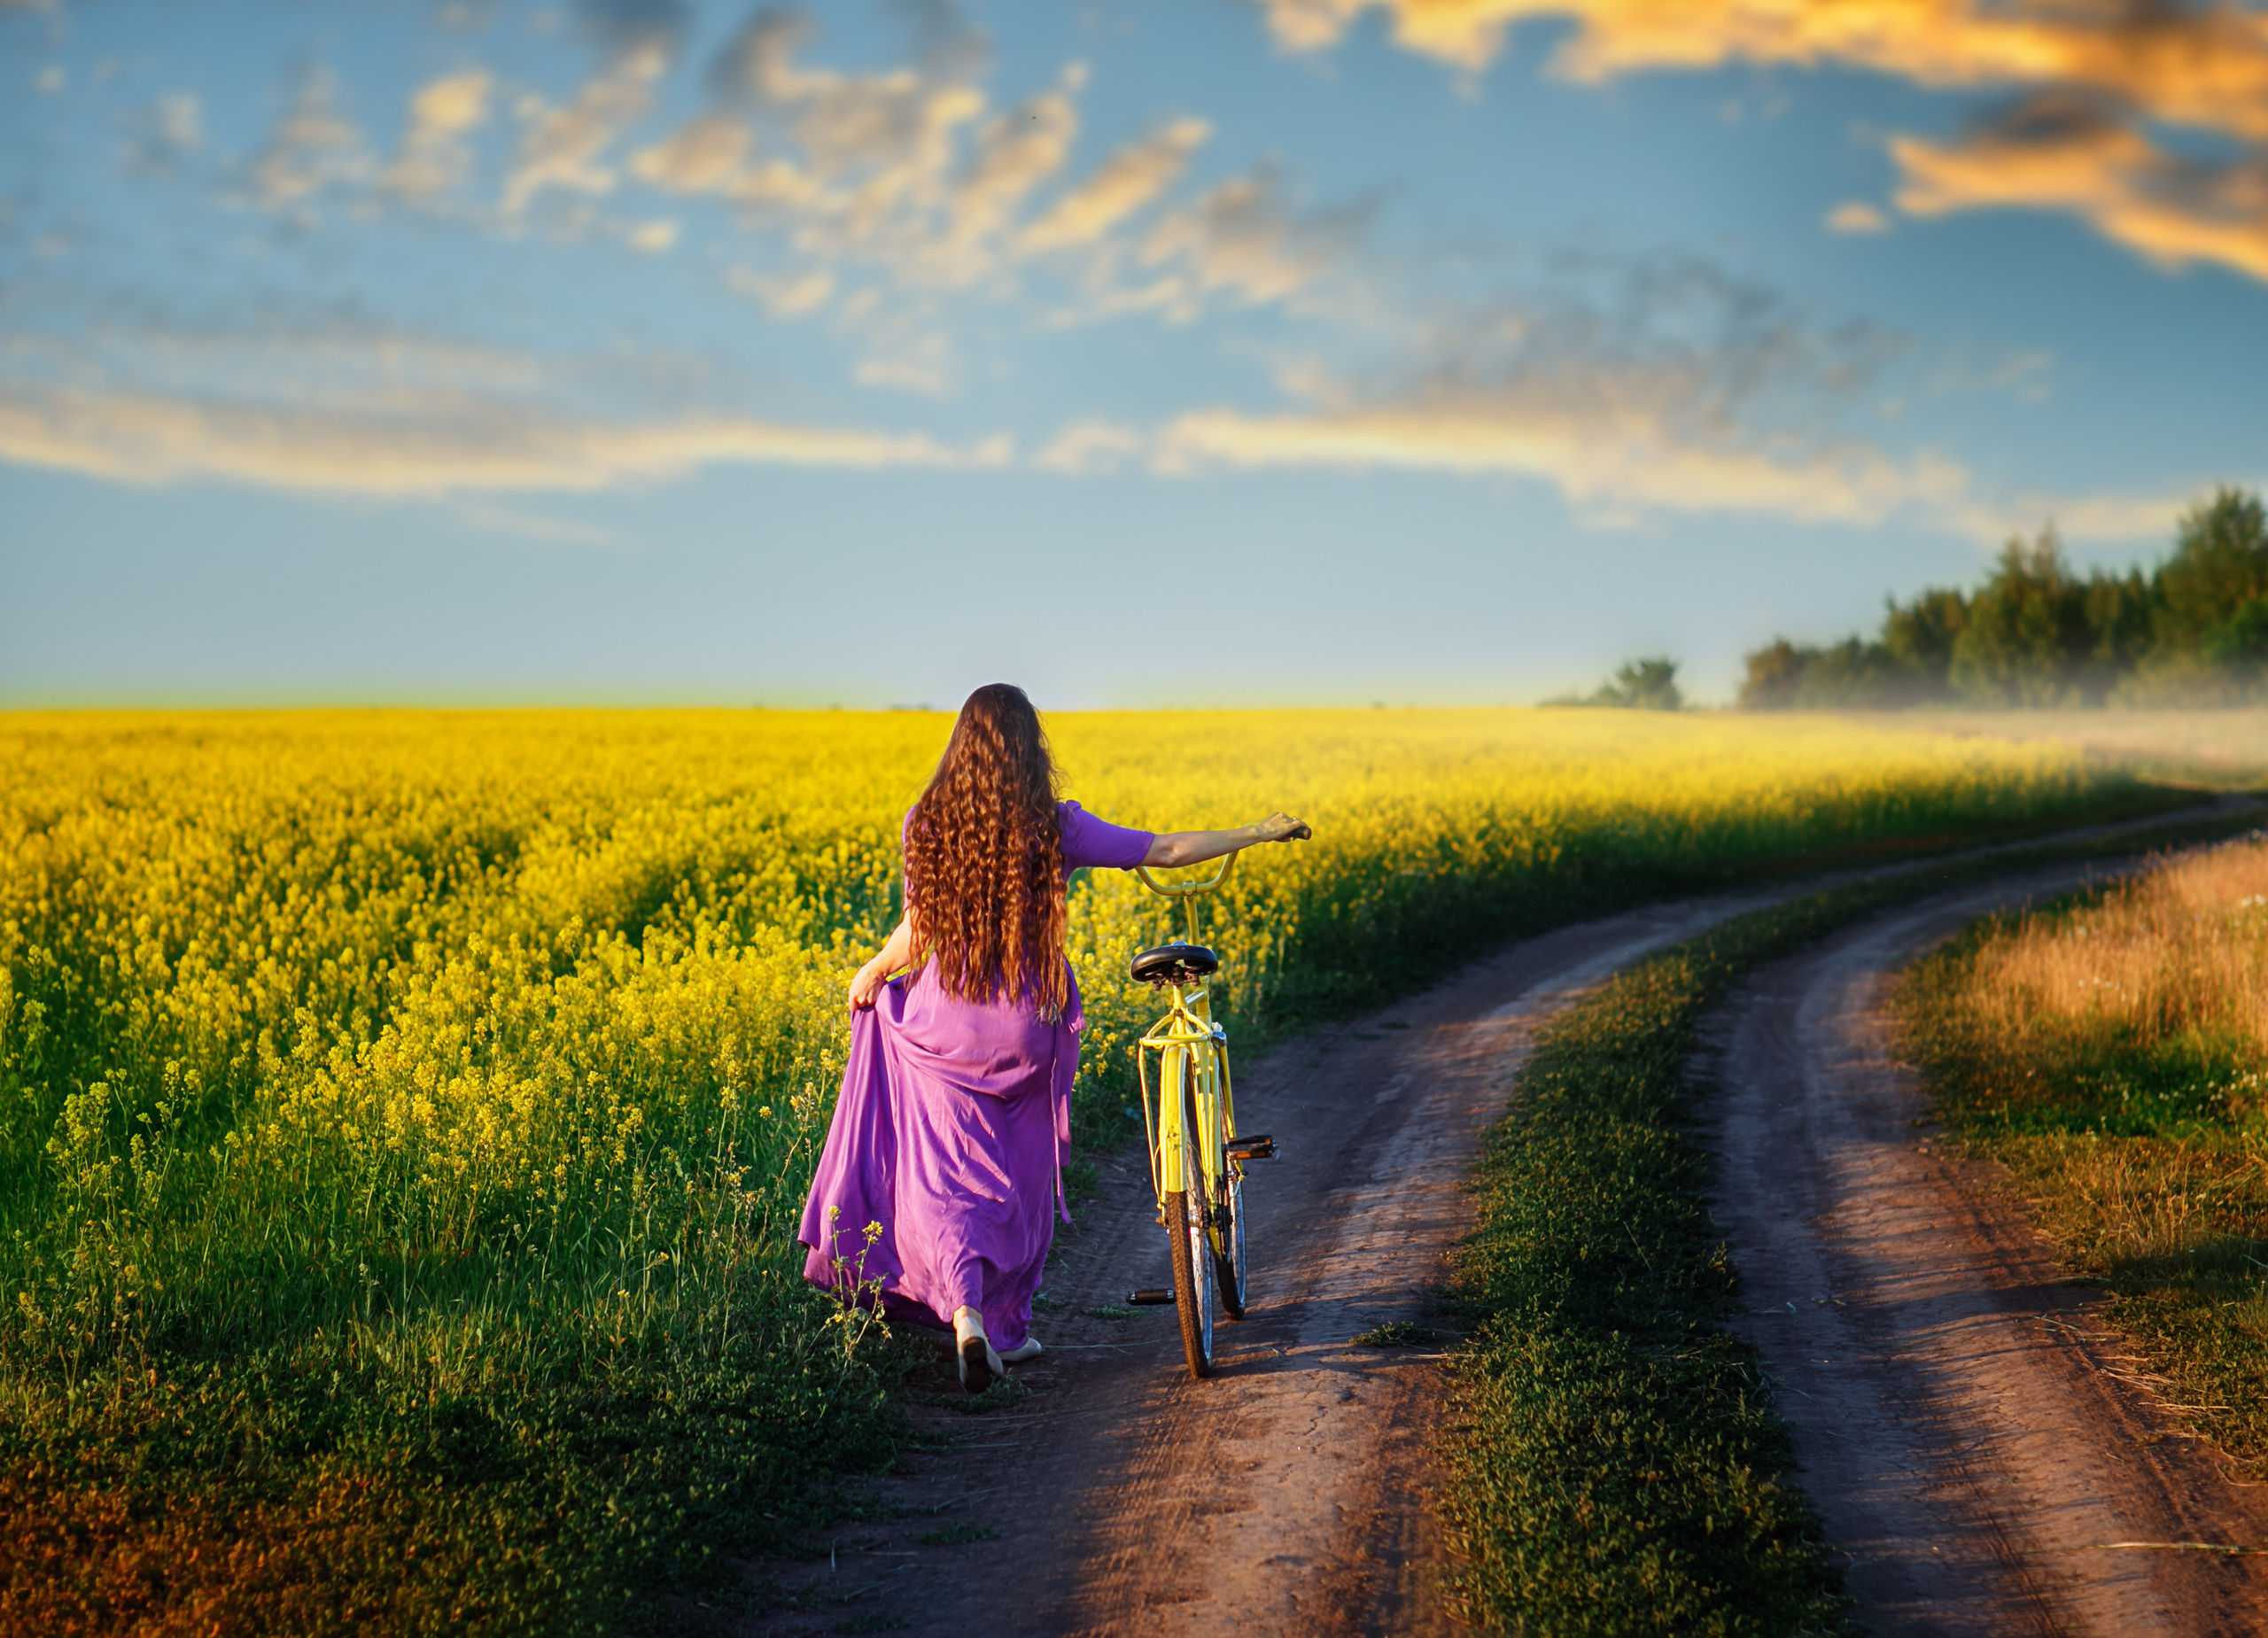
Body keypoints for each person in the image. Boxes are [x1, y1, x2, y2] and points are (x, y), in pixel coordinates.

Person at [798, 683, 1310, 1393]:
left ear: (961, 747)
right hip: (1024, 1031)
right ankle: (1001, 1324)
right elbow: (1161, 850)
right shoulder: (1053, 824)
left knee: (944, 1179)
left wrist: (875, 970)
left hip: (945, 1026)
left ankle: (970, 1317)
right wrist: (1258, 830)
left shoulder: (928, 822)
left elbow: (919, 930)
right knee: (1012, 1183)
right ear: (1028, 749)